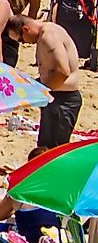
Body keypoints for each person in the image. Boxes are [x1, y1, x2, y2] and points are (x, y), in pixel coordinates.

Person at [24, 18, 85, 157]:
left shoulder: (48, 36)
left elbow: (63, 72)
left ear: (25, 29)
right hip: (58, 97)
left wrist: (41, 89)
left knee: (52, 153)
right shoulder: (49, 31)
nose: (25, 43)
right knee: (46, 151)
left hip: (63, 100)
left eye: (22, 39)